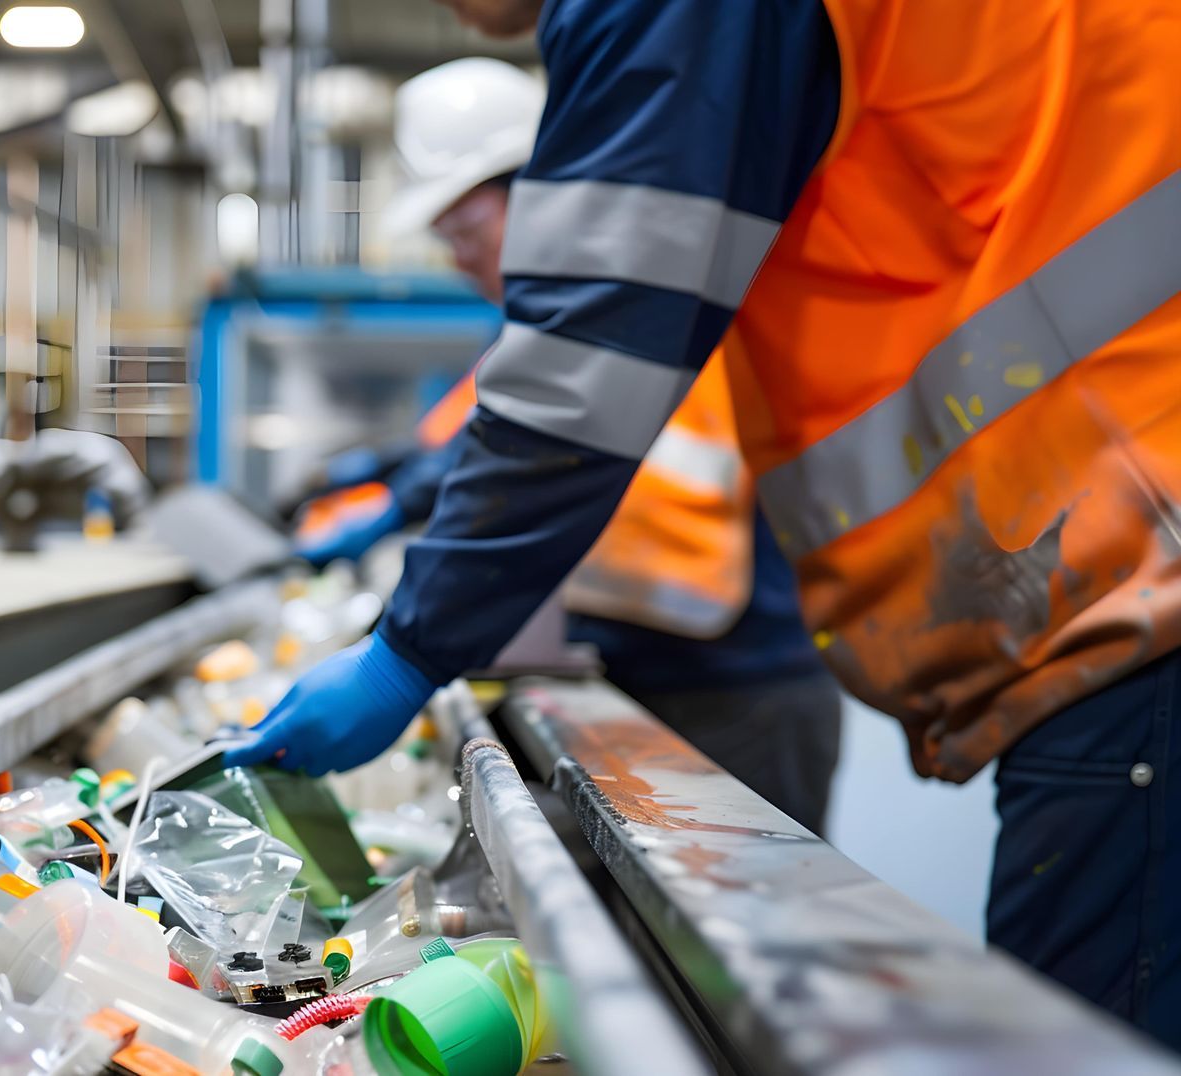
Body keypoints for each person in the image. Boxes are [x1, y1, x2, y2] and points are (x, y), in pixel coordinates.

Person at [229, 0, 1181, 1046]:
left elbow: (583, 368)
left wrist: (408, 649)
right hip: (1114, 568)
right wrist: (404, 515)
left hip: (1129, 573)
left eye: (466, 225)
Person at [293, 58, 844, 833]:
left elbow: (553, 441)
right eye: (445, 239)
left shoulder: (659, 297)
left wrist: (405, 649)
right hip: (636, 675)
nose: (460, 260)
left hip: (744, 689)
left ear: (542, 189)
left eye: (469, 230)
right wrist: (392, 487)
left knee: (745, 946)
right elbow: (484, 433)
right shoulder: (547, 328)